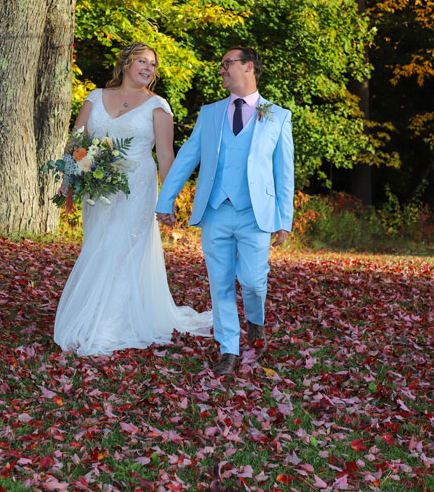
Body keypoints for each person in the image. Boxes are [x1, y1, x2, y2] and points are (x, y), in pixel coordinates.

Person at [53, 42, 213, 356]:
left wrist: (168, 199)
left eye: (153, 65)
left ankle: (105, 329)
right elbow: (78, 141)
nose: (148, 69)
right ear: (126, 63)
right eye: (143, 61)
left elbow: (166, 155)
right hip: (99, 190)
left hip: (138, 189)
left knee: (124, 252)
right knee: (100, 247)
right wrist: (71, 176)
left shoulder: (158, 105)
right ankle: (95, 314)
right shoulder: (95, 97)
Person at [155, 47, 294, 376]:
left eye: (227, 64)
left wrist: (284, 219)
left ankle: (256, 326)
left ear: (248, 67)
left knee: (253, 283)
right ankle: (228, 349)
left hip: (255, 215)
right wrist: (166, 200)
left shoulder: (277, 115)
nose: (221, 70)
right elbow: (188, 156)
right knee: (220, 284)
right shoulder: (211, 113)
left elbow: (283, 172)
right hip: (215, 211)